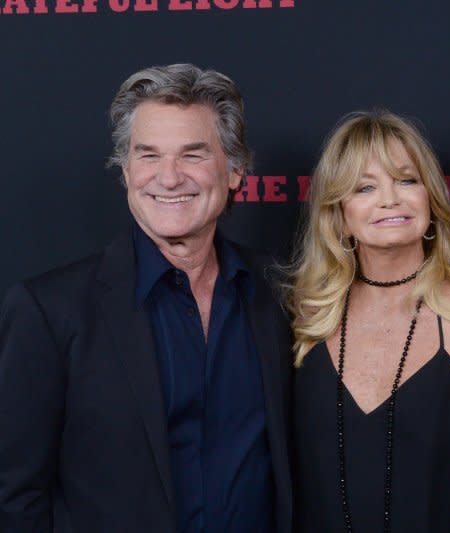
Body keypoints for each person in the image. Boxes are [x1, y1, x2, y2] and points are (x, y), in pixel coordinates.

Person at [0, 64, 292, 533]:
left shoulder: (283, 292)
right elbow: (15, 495)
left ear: (236, 171)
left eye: (193, 155)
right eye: (148, 155)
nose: (169, 177)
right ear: (126, 171)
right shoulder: (49, 311)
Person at [287, 110, 450, 532]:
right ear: (339, 213)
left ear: (430, 197)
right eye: (365, 187)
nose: (390, 199)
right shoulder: (305, 317)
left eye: (406, 180)